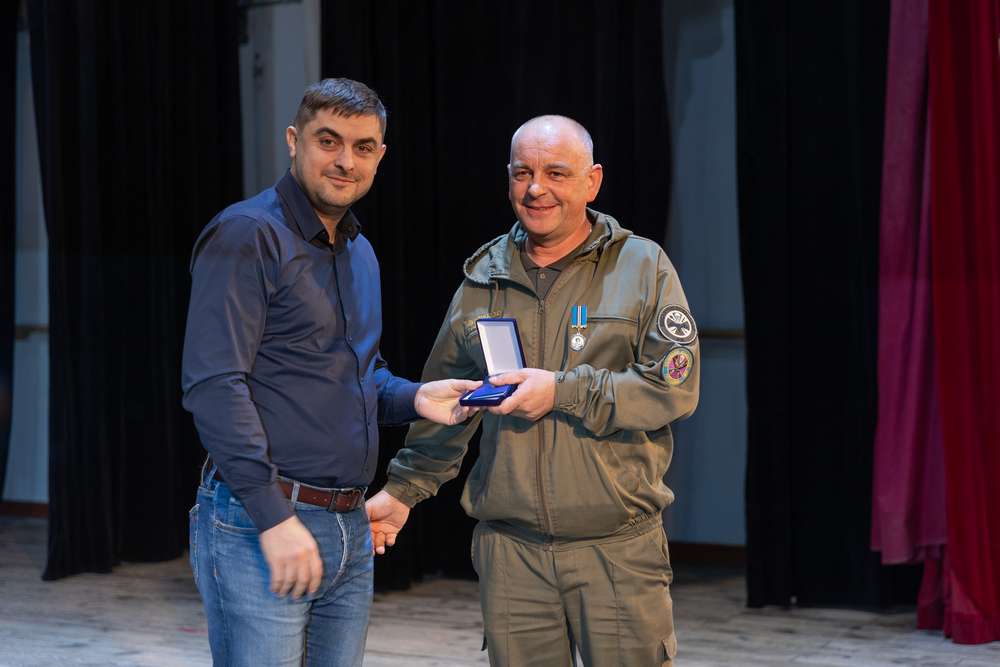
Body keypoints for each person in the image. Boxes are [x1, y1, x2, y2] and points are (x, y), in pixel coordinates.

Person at [366, 115, 700, 666]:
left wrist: (563, 391)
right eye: (523, 173)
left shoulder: (642, 266)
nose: (536, 188)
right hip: (511, 554)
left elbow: (673, 389)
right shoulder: (483, 278)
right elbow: (449, 402)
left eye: (556, 173)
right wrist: (403, 492)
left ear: (592, 181)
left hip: (617, 549)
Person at [181, 78, 480, 667]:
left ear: (380, 156)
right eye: (329, 141)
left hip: (350, 523)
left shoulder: (358, 252)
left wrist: (417, 398)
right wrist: (273, 517)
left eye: (363, 147)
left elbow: (357, 377)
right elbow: (214, 386)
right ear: (294, 141)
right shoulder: (248, 235)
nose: (346, 160)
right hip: (262, 519)